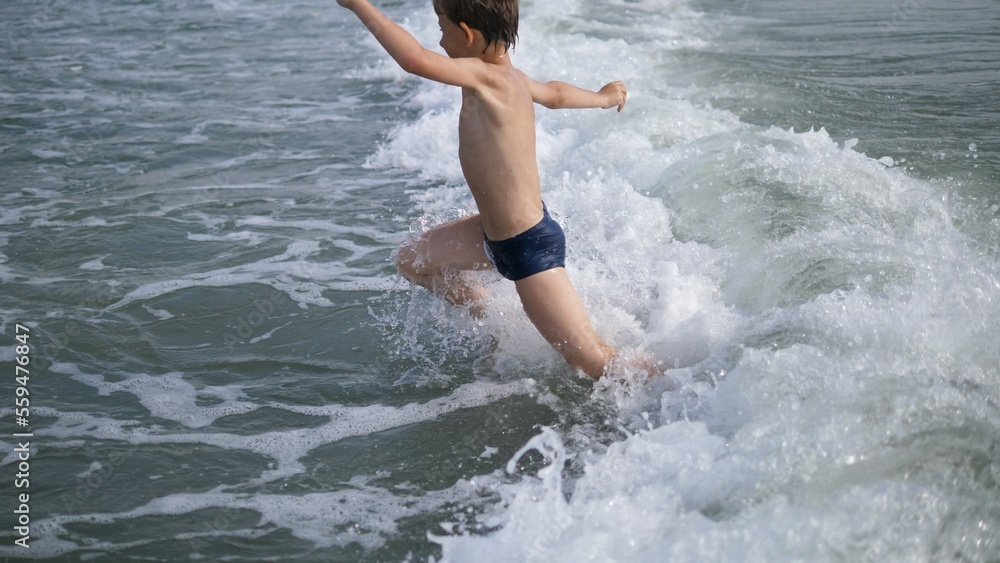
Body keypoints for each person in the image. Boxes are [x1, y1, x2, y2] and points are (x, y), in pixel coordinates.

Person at [338, 0, 629, 379]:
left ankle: (681, 385)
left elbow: (413, 60)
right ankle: (494, 320)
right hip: (491, 236)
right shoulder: (513, 79)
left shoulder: (484, 76)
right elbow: (556, 95)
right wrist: (604, 97)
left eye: (442, 29)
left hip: (528, 248)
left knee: (592, 360)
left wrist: (360, 5)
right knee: (413, 260)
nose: (439, 40)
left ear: (468, 33)